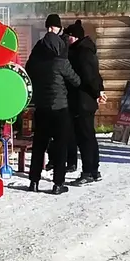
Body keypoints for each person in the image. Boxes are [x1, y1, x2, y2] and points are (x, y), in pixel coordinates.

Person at [25, 14, 81, 195]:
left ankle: (34, 181)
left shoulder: (36, 57)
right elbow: (75, 80)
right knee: (60, 145)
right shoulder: (61, 59)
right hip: (60, 107)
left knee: (39, 145)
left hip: (41, 106)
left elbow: (27, 71)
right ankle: (58, 184)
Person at [64, 20, 105, 185]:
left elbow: (89, 76)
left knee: (85, 137)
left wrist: (97, 91)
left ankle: (88, 171)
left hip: (82, 101)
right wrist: (99, 91)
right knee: (89, 136)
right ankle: (94, 170)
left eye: (69, 36)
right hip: (86, 100)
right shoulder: (85, 50)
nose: (67, 39)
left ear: (75, 37)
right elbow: (96, 75)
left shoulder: (81, 53)